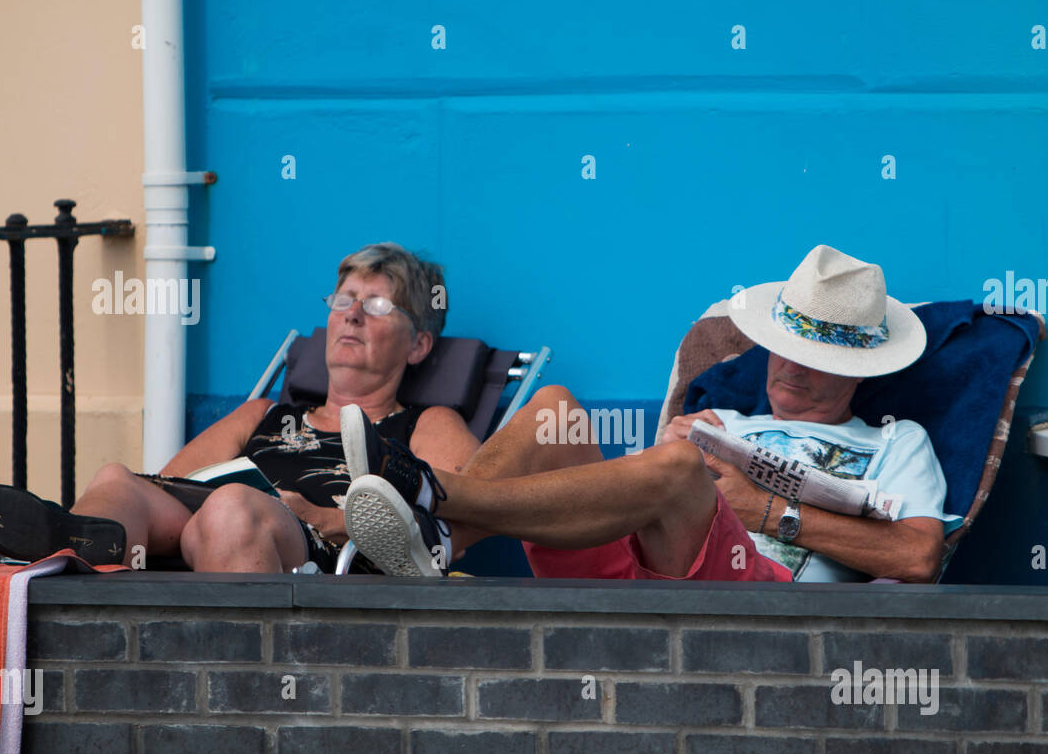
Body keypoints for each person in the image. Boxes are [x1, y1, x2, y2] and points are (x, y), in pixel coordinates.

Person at [340, 244, 963, 584]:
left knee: (680, 471)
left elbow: (917, 559)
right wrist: (660, 457)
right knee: (556, 409)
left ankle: (432, 494)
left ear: (858, 371)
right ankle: (438, 539)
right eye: (781, 348)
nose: (787, 367)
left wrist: (767, 510)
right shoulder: (721, 420)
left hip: (758, 597)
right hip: (643, 555)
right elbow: (622, 493)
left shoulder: (897, 442)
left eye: (813, 357)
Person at [0, 243, 479, 572]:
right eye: (344, 299)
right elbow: (165, 484)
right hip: (212, 528)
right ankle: (68, 551)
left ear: (418, 347)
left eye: (378, 305)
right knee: (120, 481)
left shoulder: (428, 424)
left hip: (317, 553)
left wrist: (322, 515)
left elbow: (455, 523)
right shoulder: (262, 414)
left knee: (233, 508)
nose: (352, 317)